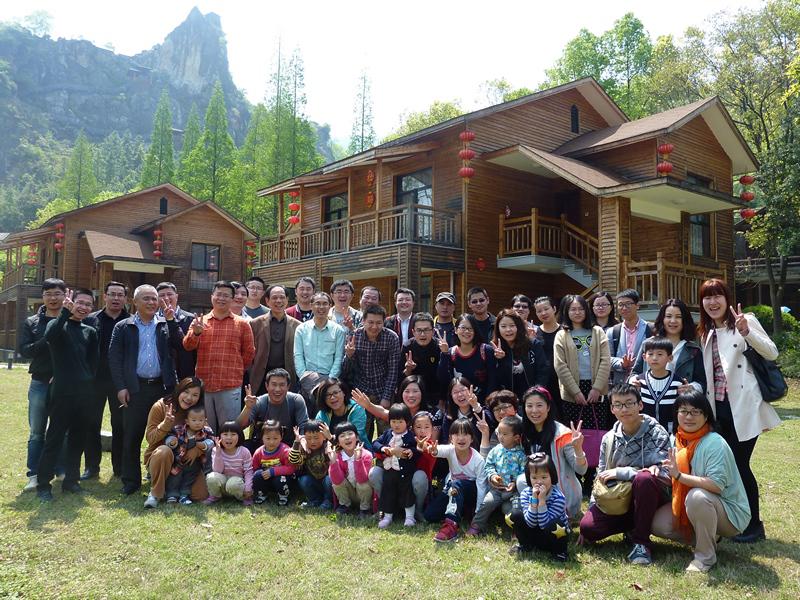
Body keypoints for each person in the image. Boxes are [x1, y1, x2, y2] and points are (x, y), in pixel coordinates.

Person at [698, 278, 780, 543]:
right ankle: (733, 521)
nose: (712, 302)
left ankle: (753, 526)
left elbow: (772, 353)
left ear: (727, 298)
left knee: (740, 465)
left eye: (717, 296)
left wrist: (747, 332)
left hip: (744, 407)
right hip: (718, 409)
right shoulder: (706, 333)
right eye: (707, 297)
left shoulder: (745, 322)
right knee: (727, 466)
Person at [651, 389, 751, 573]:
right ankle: (709, 536)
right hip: (695, 505)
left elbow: (716, 485)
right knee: (657, 524)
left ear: (706, 416)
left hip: (729, 512)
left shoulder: (715, 443)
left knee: (697, 497)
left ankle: (705, 557)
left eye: (695, 412)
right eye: (683, 411)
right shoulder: (677, 440)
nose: (689, 417)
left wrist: (679, 476)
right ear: (676, 414)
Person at [578, 383, 671, 566]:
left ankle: (641, 543)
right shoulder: (609, 438)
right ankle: (633, 525)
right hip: (619, 497)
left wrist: (623, 472)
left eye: (629, 403)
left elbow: (666, 473)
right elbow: (600, 477)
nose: (624, 409)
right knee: (588, 528)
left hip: (650, 498)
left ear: (640, 405)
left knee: (645, 479)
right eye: (618, 405)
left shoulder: (657, 433)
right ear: (612, 409)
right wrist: (592, 508)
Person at [108, 284, 183, 496]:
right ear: (135, 302)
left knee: (165, 434)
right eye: (146, 298)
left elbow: (181, 345)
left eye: (154, 298)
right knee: (132, 434)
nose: (151, 302)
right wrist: (121, 387)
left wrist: (172, 321)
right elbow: (114, 359)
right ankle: (131, 480)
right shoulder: (123, 326)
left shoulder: (165, 324)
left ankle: (161, 475)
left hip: (163, 388)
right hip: (136, 388)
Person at [36, 288, 99, 501]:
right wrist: (64, 312)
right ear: (71, 302)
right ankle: (43, 485)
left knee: (78, 439)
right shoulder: (57, 325)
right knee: (54, 439)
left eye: (88, 304)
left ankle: (71, 481)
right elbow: (49, 337)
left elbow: (93, 363)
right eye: (80, 302)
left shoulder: (90, 331)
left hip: (84, 395)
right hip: (62, 394)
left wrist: (88, 384)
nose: (83, 307)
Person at [182, 280, 255, 435]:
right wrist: (196, 333)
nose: (221, 298)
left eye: (226, 295)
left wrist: (235, 370)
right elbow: (187, 346)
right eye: (218, 294)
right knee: (204, 430)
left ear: (232, 299)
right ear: (212, 296)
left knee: (228, 431)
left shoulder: (242, 324)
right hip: (204, 385)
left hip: (230, 385)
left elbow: (249, 353)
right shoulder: (200, 322)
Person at [359, 378, 431, 518]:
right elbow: (382, 414)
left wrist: (413, 450)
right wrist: (388, 450)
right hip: (391, 470)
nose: (411, 395)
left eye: (415, 391)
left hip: (414, 469)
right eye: (407, 391)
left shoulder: (428, 416)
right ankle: (387, 507)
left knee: (419, 478)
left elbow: (426, 445)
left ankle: (417, 510)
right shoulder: (396, 417)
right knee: (375, 473)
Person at [19, 278, 66, 492]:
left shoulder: (71, 320)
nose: (53, 298)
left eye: (57, 293)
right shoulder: (32, 322)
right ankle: (34, 474)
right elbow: (25, 350)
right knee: (37, 431)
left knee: (62, 429)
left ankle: (61, 469)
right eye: (48, 294)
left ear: (65, 295)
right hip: (39, 382)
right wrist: (48, 338)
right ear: (43, 297)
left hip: (64, 384)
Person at [82, 281, 129, 480]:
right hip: (94, 381)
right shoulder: (91, 319)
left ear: (125, 298)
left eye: (120, 295)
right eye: (112, 294)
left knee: (120, 425)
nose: (116, 298)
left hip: (121, 383)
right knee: (91, 423)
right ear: (105, 296)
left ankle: (119, 467)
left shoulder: (131, 321)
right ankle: (91, 467)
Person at [517, 386, 587, 521]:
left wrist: (578, 449)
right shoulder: (525, 432)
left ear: (548, 407)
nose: (534, 411)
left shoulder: (562, 435)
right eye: (529, 406)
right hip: (538, 485)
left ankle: (556, 515)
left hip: (561, 493)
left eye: (539, 405)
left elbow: (581, 470)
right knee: (521, 480)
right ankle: (533, 513)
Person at [142, 377, 208, 509]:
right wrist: (165, 424)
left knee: (200, 495)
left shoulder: (197, 412)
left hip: (185, 462)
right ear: (179, 390)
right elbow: (150, 438)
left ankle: (171, 488)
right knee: (164, 451)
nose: (189, 398)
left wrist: (196, 450)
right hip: (160, 457)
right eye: (186, 392)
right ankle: (155, 493)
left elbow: (206, 434)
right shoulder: (160, 406)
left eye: (195, 395)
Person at [553, 294, 611, 435]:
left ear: (586, 310)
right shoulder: (561, 335)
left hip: (596, 388)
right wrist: (576, 392)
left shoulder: (597, 331)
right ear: (566, 311)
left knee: (597, 431)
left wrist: (596, 388)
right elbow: (560, 365)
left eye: (581, 309)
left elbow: (605, 361)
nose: (577, 312)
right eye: (573, 309)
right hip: (572, 390)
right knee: (574, 432)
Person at [422, 418, 487, 543]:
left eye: (465, 434)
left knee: (456, 484)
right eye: (457, 434)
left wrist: (477, 515)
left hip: (471, 492)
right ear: (451, 438)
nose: (461, 438)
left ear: (472, 439)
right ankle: (460, 511)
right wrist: (429, 449)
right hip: (453, 490)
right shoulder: (450, 450)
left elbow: (481, 487)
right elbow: (437, 450)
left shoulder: (478, 460)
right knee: (430, 515)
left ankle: (451, 525)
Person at [343, 304, 401, 437]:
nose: (374, 326)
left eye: (378, 323)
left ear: (384, 322)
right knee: (361, 431)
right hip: (362, 390)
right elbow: (346, 370)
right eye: (370, 322)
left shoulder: (391, 337)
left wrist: (386, 397)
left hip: (383, 388)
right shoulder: (354, 336)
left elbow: (393, 370)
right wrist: (349, 356)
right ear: (363, 321)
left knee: (387, 432)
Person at [466, 415, 526, 536]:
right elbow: (489, 465)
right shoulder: (495, 450)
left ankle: (518, 531)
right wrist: (492, 476)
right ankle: (477, 525)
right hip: (497, 489)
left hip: (514, 492)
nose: (500, 436)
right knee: (487, 503)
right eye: (499, 433)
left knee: (514, 508)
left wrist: (515, 483)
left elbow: (524, 472)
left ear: (516, 437)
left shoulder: (521, 454)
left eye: (505, 434)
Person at [632, 298, 706, 394]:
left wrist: (690, 387)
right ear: (662, 319)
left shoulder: (693, 350)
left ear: (684, 320)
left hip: (681, 401)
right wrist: (634, 381)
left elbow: (702, 382)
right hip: (649, 400)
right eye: (668, 316)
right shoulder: (648, 344)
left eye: (678, 317)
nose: (673, 321)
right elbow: (634, 373)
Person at [509, 452, 570, 561]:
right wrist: (534, 500)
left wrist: (541, 501)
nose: (539, 481)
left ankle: (560, 552)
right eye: (534, 477)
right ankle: (525, 545)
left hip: (551, 537)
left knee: (556, 524)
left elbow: (544, 525)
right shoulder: (526, 493)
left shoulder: (558, 497)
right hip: (534, 534)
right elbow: (530, 523)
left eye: (544, 477)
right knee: (515, 514)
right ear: (529, 478)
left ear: (552, 476)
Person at [295, 292, 346, 410]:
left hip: (329, 380)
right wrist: (303, 376)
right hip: (307, 379)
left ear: (330, 306)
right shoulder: (301, 329)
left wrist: (330, 381)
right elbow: (298, 355)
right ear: (311, 305)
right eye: (317, 303)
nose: (321, 307)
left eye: (325, 304)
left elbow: (339, 358)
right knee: (309, 415)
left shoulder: (338, 330)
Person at [373, 403, 420, 528]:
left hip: (405, 473)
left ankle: (409, 517)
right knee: (388, 492)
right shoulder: (388, 434)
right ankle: (387, 517)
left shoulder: (410, 435)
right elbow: (375, 443)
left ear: (407, 422)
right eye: (393, 421)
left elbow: (417, 449)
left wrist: (412, 451)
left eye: (400, 422)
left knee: (407, 493)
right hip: (389, 472)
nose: (396, 425)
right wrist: (383, 448)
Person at [238, 369, 308, 450]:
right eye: (274, 385)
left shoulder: (296, 400)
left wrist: (302, 443)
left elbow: (304, 427)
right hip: (262, 449)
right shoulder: (258, 402)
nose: (277, 389)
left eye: (282, 385)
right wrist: (247, 408)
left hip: (290, 448)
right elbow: (239, 426)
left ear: (288, 386)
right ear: (267, 386)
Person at [249, 284, 301, 395]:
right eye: (274, 297)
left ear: (287, 300)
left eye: (282, 297)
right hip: (261, 376)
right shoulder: (255, 323)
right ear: (267, 301)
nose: (278, 301)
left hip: (287, 375)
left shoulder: (297, 326)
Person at [437, 313, 499, 402]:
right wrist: (444, 353)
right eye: (463, 328)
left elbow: (493, 381)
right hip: (459, 404)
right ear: (456, 330)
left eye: (470, 328)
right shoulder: (450, 353)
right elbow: (444, 380)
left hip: (482, 404)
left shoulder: (486, 350)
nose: (466, 331)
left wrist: (487, 404)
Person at [629, 338, 683, 434]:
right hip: (645, 432)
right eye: (650, 354)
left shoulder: (677, 383)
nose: (654, 358)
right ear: (644, 357)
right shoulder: (639, 382)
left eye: (660, 354)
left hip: (671, 433)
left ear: (670, 358)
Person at [163, 405, 214, 504]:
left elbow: (211, 442)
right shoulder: (179, 429)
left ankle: (184, 495)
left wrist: (202, 444)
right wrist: (171, 442)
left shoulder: (206, 431)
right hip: (178, 460)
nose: (197, 423)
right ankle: (172, 494)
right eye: (194, 420)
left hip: (195, 462)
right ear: (187, 421)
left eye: (201, 420)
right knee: (175, 476)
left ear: (205, 421)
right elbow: (170, 437)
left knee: (190, 478)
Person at [494, 308, 549, 398]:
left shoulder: (533, 344)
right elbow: (496, 380)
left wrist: (537, 392)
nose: (508, 329)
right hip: (508, 400)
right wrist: (500, 360)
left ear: (518, 327)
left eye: (512, 325)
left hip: (533, 398)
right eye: (503, 326)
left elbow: (543, 371)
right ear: (498, 328)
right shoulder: (494, 349)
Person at [328, 421, 374, 517]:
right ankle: (345, 505)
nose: (347, 437)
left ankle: (365, 508)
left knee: (363, 485)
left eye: (350, 434)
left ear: (357, 437)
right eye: (342, 436)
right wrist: (334, 462)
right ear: (338, 442)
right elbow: (337, 481)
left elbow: (363, 479)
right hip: (349, 493)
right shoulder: (337, 456)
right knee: (336, 484)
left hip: (363, 493)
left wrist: (358, 460)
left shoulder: (366, 455)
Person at [608, 289, 653, 385]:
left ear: (637, 305)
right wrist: (621, 363)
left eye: (628, 304)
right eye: (620, 305)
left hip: (644, 383)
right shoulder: (613, 331)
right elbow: (606, 358)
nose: (624, 308)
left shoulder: (651, 329)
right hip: (620, 385)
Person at [205, 421, 254, 506]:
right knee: (211, 477)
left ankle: (244, 497)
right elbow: (217, 471)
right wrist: (218, 453)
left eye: (233, 434)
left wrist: (248, 488)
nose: (229, 437)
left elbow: (248, 471)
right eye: (225, 434)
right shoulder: (216, 450)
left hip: (236, 483)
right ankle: (216, 496)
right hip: (223, 481)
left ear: (239, 436)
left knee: (233, 483)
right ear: (219, 437)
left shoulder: (244, 451)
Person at [289, 419, 334, 509]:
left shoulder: (328, 447)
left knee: (329, 479)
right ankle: (314, 500)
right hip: (313, 481)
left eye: (316, 438)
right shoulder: (304, 449)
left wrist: (330, 437)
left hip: (327, 482)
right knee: (303, 480)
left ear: (324, 437)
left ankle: (328, 501)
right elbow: (293, 460)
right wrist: (297, 442)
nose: (312, 441)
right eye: (309, 438)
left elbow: (339, 446)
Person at [400, 312, 441, 409]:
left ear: (433, 331)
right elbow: (401, 378)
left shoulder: (439, 347)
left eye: (426, 330)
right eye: (419, 330)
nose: (423, 334)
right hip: (413, 395)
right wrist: (408, 370)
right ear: (413, 332)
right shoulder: (407, 346)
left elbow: (444, 377)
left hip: (435, 394)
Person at [156, 282, 196, 379]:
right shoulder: (153, 319)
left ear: (176, 297)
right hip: (160, 375)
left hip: (185, 374)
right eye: (162, 295)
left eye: (169, 294)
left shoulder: (190, 319)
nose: (166, 298)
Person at [251, 419, 296, 506]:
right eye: (268, 438)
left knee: (281, 479)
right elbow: (254, 468)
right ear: (262, 437)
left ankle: (283, 496)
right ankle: (262, 494)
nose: (271, 442)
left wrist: (273, 471)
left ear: (281, 437)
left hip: (282, 480)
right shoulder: (258, 452)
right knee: (257, 475)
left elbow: (291, 468)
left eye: (275, 438)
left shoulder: (286, 451)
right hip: (267, 480)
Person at [314, 378, 369, 445]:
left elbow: (357, 436)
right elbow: (318, 436)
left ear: (344, 393)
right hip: (330, 449)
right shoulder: (322, 414)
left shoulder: (357, 409)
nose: (332, 397)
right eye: (327, 395)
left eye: (335, 393)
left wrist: (331, 437)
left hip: (357, 448)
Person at [433, 376, 484, 446]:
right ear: (451, 396)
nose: (460, 394)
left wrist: (475, 406)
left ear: (470, 390)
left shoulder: (480, 410)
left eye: (463, 390)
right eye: (455, 392)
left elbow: (489, 423)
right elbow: (447, 439)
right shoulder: (448, 417)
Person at [534, 295, 562, 413]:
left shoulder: (565, 331)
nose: (543, 313)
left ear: (554, 309)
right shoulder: (534, 333)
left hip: (562, 380)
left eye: (546, 309)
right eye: (539, 311)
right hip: (543, 381)